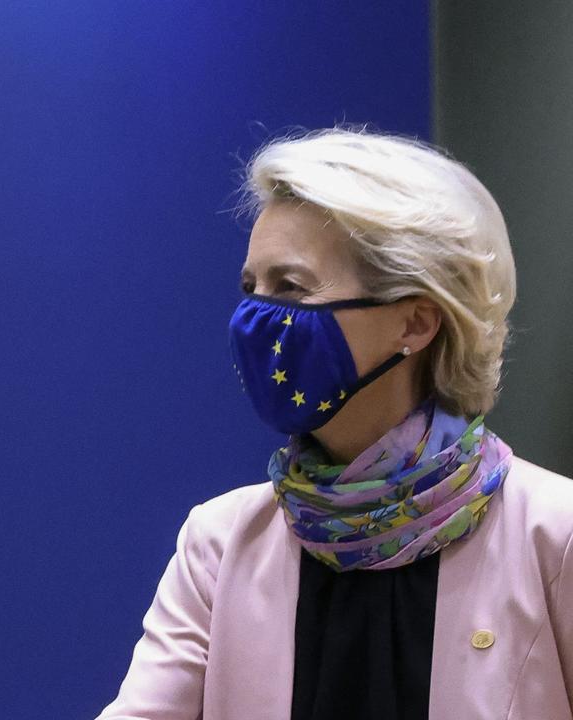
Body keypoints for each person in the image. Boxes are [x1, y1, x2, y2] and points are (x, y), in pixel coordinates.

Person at [95, 128, 573, 719]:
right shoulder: (220, 545)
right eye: (251, 288)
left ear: (416, 323)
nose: (254, 317)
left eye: (290, 287)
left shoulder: (555, 536)